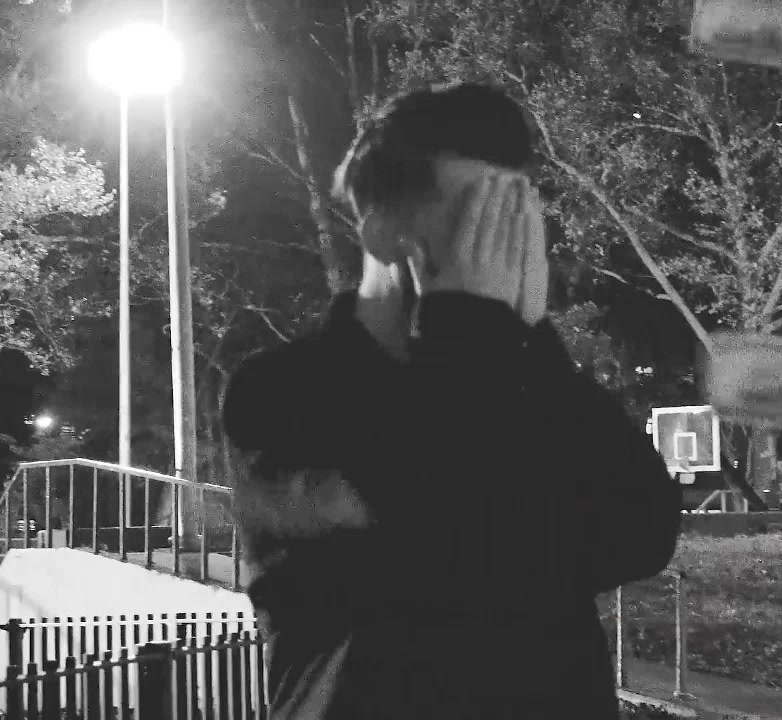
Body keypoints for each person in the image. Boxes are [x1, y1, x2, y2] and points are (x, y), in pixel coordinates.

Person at [221, 82, 683, 719]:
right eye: (478, 218)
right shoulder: (282, 395)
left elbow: (642, 532)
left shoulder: (533, 380)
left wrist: (533, 342)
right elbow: (441, 545)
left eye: (516, 218)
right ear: (383, 233)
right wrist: (471, 328)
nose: (506, 248)